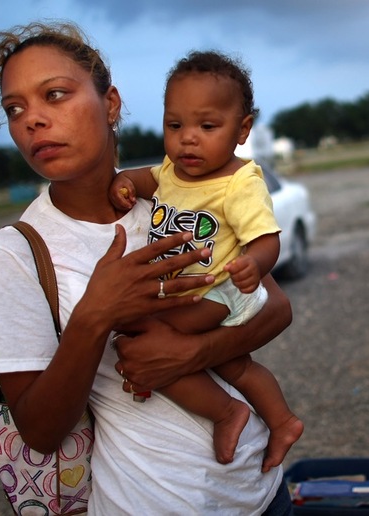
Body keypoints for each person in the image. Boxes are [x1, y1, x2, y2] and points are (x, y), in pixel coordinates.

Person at [0, 21, 295, 514]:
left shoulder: (171, 203)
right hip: (151, 501)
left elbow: (275, 308)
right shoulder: (13, 254)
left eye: (54, 95)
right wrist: (96, 315)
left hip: (262, 493)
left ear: (111, 104)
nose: (32, 119)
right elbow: (39, 431)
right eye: (15, 109)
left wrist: (190, 352)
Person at [108, 50, 302, 471]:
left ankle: (225, 412)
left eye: (207, 126)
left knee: (146, 341)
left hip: (218, 292)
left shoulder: (238, 183)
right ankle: (282, 420)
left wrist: (255, 264)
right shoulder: (172, 170)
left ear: (242, 129)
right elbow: (148, 178)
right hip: (191, 294)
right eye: (174, 125)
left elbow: (267, 239)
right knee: (235, 365)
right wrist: (125, 181)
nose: (187, 138)